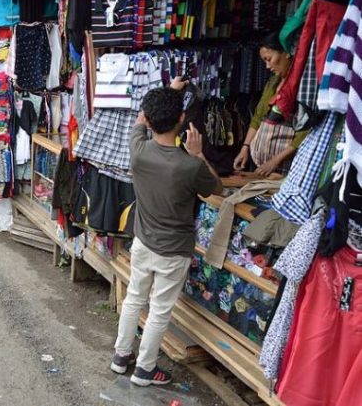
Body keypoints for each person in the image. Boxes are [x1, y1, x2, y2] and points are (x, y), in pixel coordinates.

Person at [111, 78, 223, 386]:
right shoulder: (189, 166)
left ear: (148, 119)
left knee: (135, 297)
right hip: (174, 250)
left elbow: (140, 121)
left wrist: (169, 93)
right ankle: (145, 370)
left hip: (143, 242)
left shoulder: (138, 149)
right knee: (159, 310)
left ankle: (121, 357)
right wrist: (199, 153)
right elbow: (218, 188)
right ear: (182, 120)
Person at [233, 33, 308, 176]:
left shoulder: (302, 87)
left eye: (269, 59)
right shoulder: (273, 82)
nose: (267, 66)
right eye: (264, 62)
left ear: (286, 53)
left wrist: (275, 161)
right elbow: (258, 117)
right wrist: (245, 148)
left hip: (285, 170)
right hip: (262, 167)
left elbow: (304, 133)